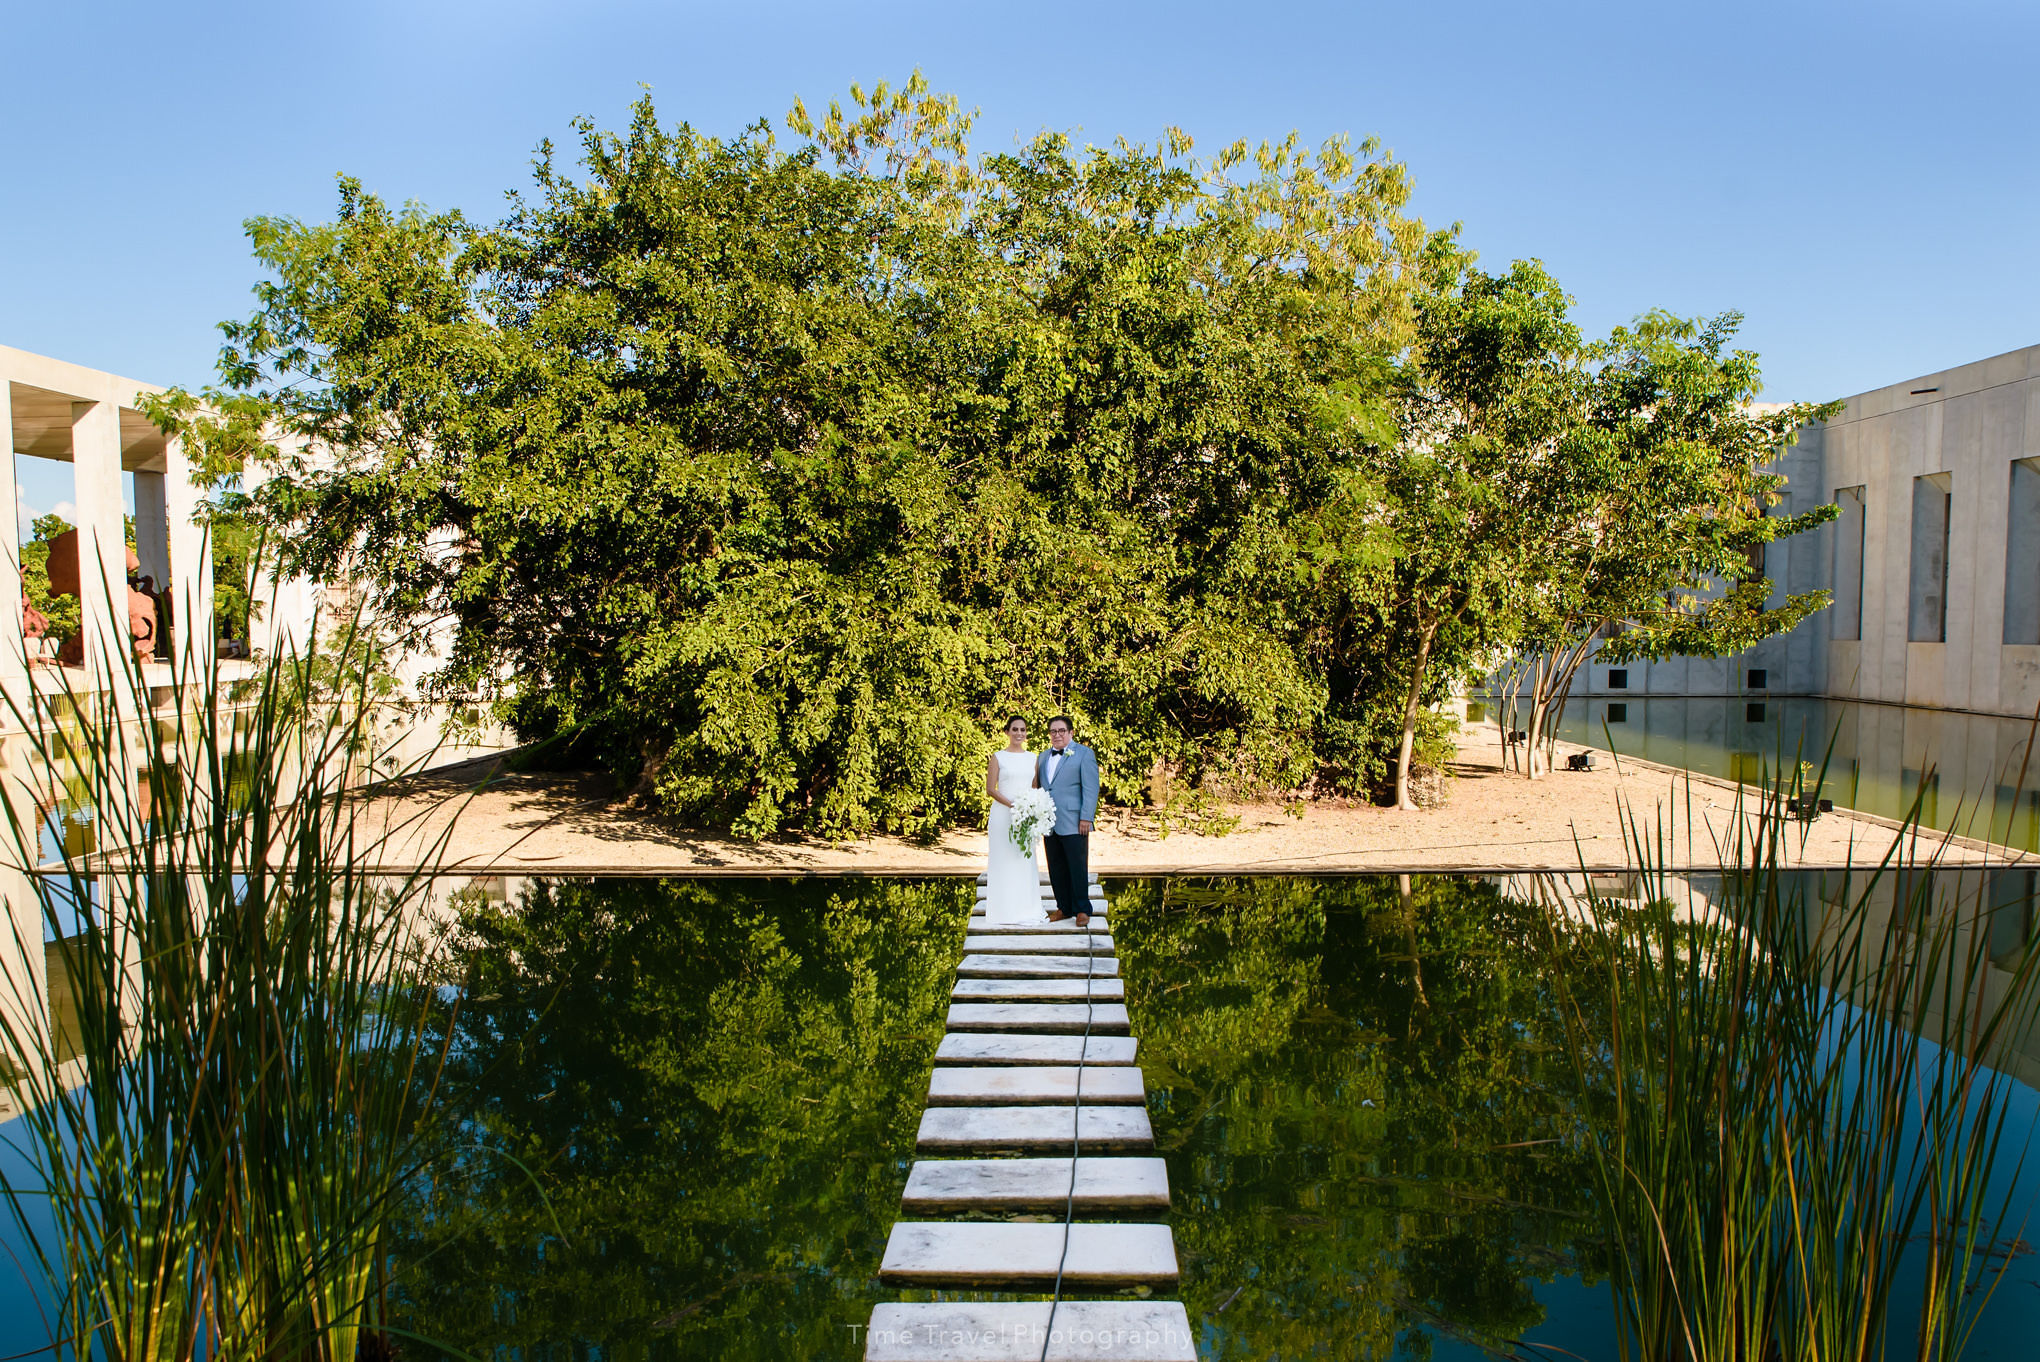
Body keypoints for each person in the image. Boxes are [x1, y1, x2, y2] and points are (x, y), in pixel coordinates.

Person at [1035, 716, 1098, 926]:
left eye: (1062, 731)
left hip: (1074, 820)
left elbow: (1091, 788)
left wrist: (1086, 817)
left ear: (1071, 732)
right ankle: (1064, 907)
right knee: (1056, 866)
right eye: (1053, 731)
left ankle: (1082, 909)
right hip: (1049, 821)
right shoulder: (1043, 757)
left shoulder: (1084, 754)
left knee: (1077, 865)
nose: (1057, 735)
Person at [982, 716, 1044, 924]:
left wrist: (1031, 807)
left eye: (1023, 730)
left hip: (1025, 816)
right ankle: (1002, 911)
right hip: (1003, 816)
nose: (1019, 733)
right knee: (1003, 859)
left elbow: (1034, 787)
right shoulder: (998, 757)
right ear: (1007, 731)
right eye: (1015, 729)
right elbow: (991, 789)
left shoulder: (1033, 758)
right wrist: (1013, 805)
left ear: (1027, 733)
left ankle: (1026, 909)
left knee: (1023, 859)